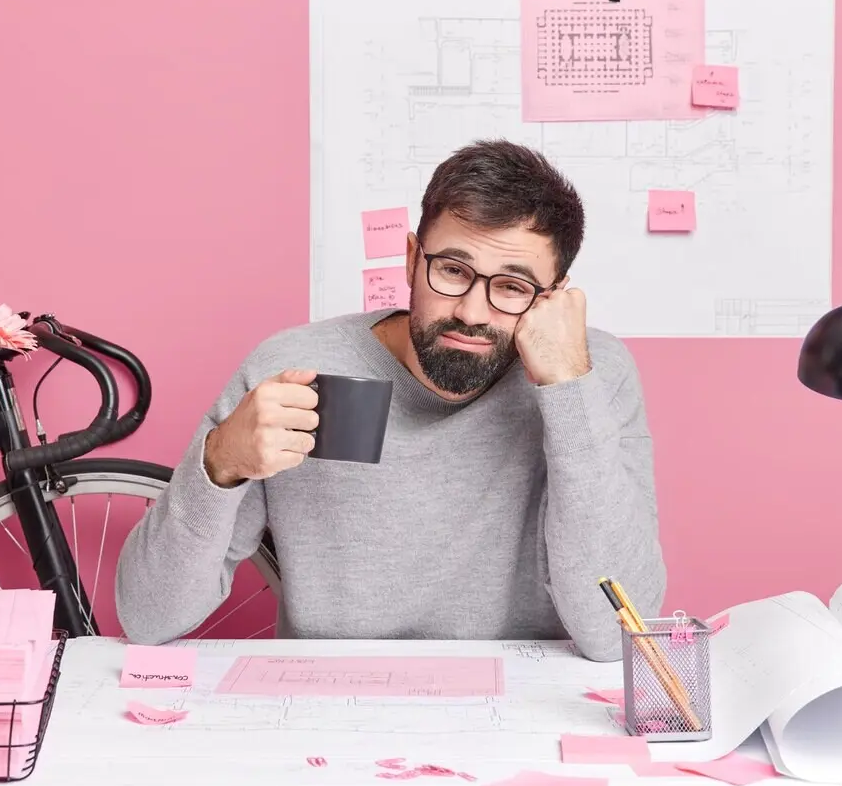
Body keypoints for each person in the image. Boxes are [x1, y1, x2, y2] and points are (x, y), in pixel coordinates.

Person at [116, 139, 666, 662]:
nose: (473, 312)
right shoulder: (293, 369)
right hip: (331, 708)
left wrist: (567, 389)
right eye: (452, 270)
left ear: (555, 298)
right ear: (410, 259)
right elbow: (148, 617)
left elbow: (619, 634)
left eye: (513, 287)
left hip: (523, 707)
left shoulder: (593, 375)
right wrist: (218, 463)